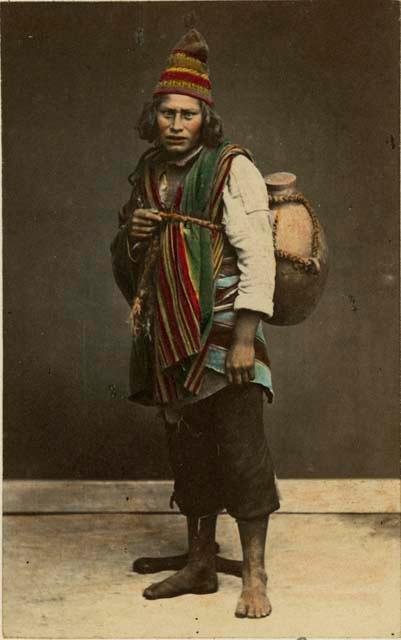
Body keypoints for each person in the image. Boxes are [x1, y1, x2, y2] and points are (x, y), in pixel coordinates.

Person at [110, 29, 280, 619]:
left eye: (187, 114)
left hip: (226, 331)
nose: (176, 123)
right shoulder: (149, 171)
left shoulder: (233, 169)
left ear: (205, 118)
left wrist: (241, 340)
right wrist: (133, 240)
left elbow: (258, 255)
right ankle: (201, 562)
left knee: (241, 449)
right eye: (166, 113)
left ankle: (254, 573)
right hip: (169, 335)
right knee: (187, 448)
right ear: (153, 117)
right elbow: (130, 259)